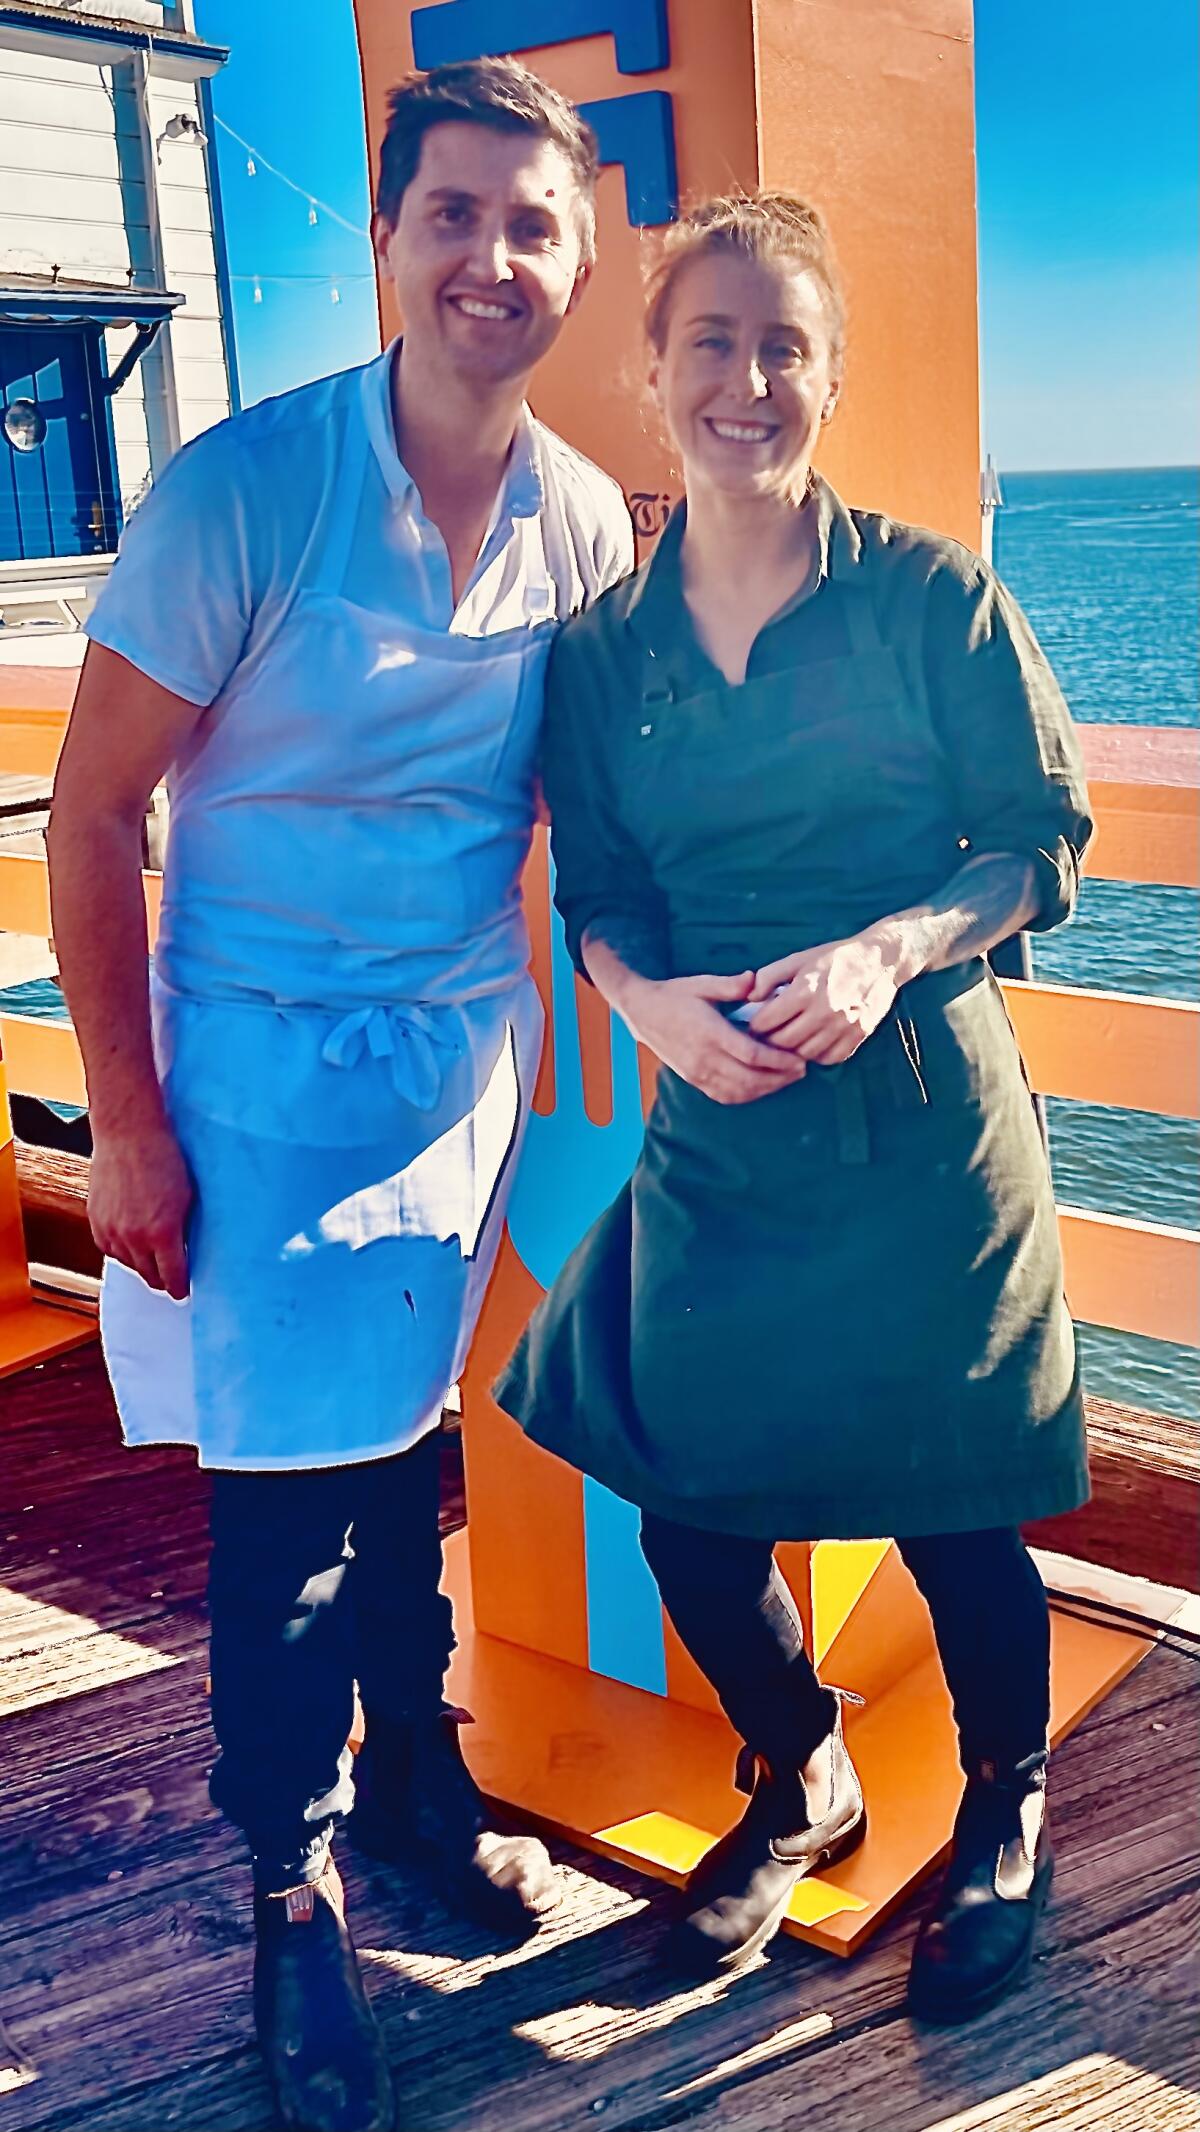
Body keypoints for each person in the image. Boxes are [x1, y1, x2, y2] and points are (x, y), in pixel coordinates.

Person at [49, 60, 632, 2132]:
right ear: (385, 239)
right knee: (284, 1515)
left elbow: (594, 808)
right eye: (452, 214)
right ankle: (295, 1900)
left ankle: (419, 1788)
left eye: (533, 223)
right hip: (258, 1087)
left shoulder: (575, 516)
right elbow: (96, 807)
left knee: (408, 1467)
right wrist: (126, 1118)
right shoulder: (249, 490)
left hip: (452, 1081)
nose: (494, 258)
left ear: (581, 254)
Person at [495, 193, 1093, 2025]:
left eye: (784, 348)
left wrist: (892, 946)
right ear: (652, 370)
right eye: (713, 343)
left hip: (923, 1128)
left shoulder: (933, 598)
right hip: (721, 1133)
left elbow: (1037, 845)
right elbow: (594, 889)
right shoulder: (596, 654)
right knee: (690, 1506)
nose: (747, 380)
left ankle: (1004, 1811)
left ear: (825, 376)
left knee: (952, 1511)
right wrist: (642, 1000)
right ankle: (803, 1773)